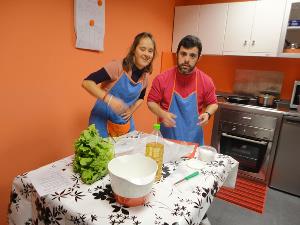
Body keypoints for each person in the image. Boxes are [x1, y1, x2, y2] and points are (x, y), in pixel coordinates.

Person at [147, 35, 218, 146]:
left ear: (199, 58)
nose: (186, 60)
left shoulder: (206, 81)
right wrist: (162, 114)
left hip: (193, 142)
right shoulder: (162, 78)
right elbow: (151, 101)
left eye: (192, 56)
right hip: (166, 142)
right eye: (183, 54)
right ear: (177, 54)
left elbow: (213, 103)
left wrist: (207, 114)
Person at [82, 32, 156, 137]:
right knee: (104, 152)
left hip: (123, 122)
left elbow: (141, 97)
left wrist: (131, 110)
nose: (147, 54)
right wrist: (110, 100)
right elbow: (87, 82)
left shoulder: (145, 77)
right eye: (142, 49)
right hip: (101, 120)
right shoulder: (117, 67)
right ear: (134, 50)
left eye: (150, 51)